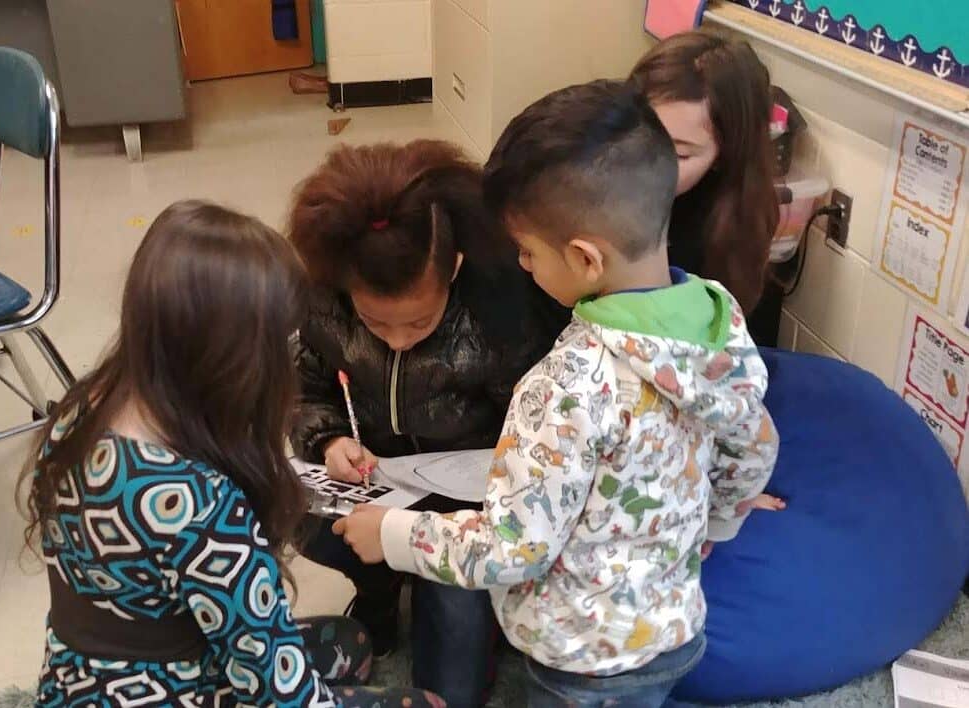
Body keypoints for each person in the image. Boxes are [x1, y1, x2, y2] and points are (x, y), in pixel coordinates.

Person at [334, 81, 780, 707]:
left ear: (584, 258)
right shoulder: (716, 323)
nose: (520, 266)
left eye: (527, 251)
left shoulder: (565, 387)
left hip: (582, 662)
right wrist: (721, 520)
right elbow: (756, 441)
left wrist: (393, 534)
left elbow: (515, 548)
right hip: (673, 631)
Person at [19, 200, 442, 707]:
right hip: (173, 690)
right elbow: (280, 692)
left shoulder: (81, 409)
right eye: (280, 341)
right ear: (238, 356)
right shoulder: (198, 502)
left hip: (80, 682)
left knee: (348, 642)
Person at [286, 139, 566, 705]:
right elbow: (305, 390)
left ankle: (460, 598)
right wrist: (329, 439)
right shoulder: (322, 302)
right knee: (298, 515)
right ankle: (380, 584)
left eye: (417, 322)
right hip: (373, 480)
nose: (395, 339)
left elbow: (535, 441)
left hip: (466, 507)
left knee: (451, 691)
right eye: (374, 322)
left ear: (454, 268)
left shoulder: (500, 316)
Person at [630, 31, 783, 347]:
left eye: (680, 154)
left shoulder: (730, 229)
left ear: (723, 156)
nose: (649, 162)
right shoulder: (592, 184)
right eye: (641, 134)